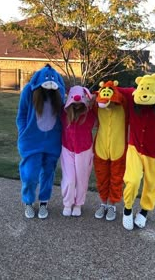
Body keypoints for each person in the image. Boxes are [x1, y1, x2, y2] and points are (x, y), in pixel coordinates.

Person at [120, 73, 155, 230]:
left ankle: (144, 212)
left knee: (152, 184)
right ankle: (127, 209)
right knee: (133, 180)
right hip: (135, 148)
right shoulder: (132, 98)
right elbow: (117, 90)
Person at [16, 64, 65, 219]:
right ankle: (28, 202)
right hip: (31, 142)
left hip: (52, 141)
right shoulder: (29, 92)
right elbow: (21, 114)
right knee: (30, 174)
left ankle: (44, 202)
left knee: (48, 173)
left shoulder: (59, 92)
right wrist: (23, 132)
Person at [93, 80, 128, 221]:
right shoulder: (97, 106)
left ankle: (112, 205)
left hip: (118, 148)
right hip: (101, 147)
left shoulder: (124, 106)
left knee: (116, 178)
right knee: (102, 178)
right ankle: (103, 204)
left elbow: (131, 93)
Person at [60, 85, 97, 217]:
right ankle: (67, 203)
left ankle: (78, 203)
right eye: (73, 103)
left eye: (79, 103)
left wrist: (92, 101)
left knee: (81, 179)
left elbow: (101, 116)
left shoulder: (90, 114)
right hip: (67, 149)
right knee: (69, 179)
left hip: (84, 150)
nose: (76, 106)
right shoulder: (63, 114)